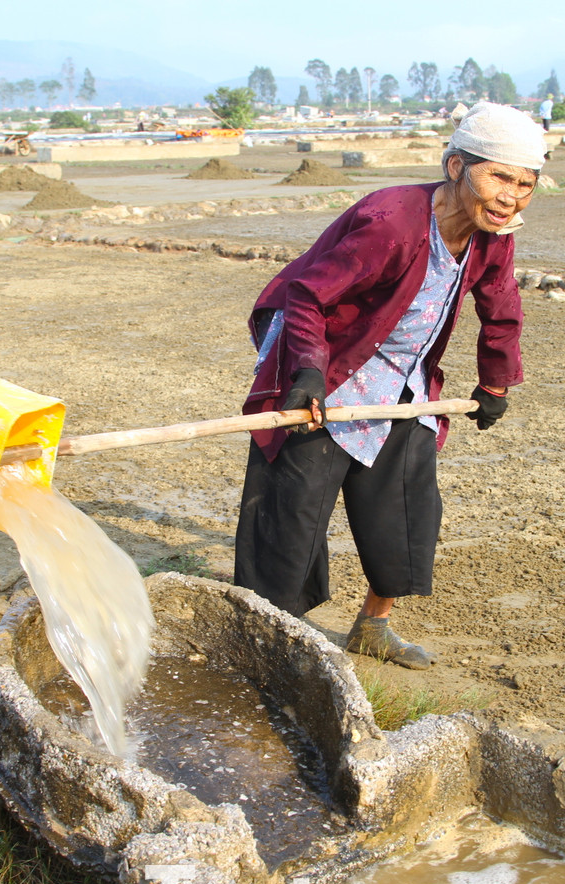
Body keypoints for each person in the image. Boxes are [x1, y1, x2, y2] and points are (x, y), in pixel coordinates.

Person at [234, 102, 546, 670]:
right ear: (456, 167)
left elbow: (502, 307)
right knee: (294, 508)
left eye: (526, 184)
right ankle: (272, 639)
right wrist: (306, 371)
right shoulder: (392, 221)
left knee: (406, 504)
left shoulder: (492, 232)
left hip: (405, 376)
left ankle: (373, 627)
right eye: (500, 176)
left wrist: (496, 383)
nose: (511, 196)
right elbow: (307, 295)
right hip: (331, 356)